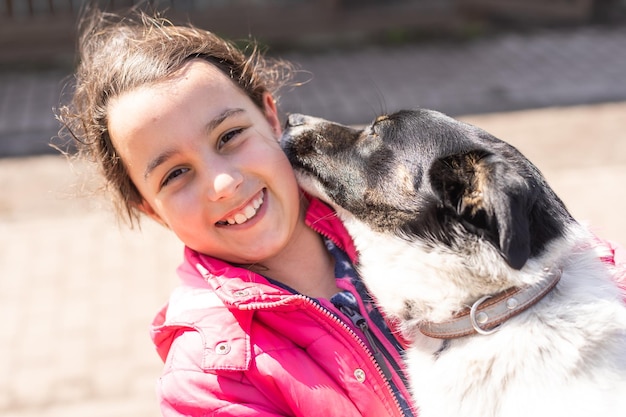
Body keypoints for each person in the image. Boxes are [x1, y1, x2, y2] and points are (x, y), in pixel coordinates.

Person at [57, 8, 416, 417]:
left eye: (229, 136)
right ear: (151, 209)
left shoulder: (402, 216)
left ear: (269, 116)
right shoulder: (206, 380)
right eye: (176, 174)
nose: (223, 184)